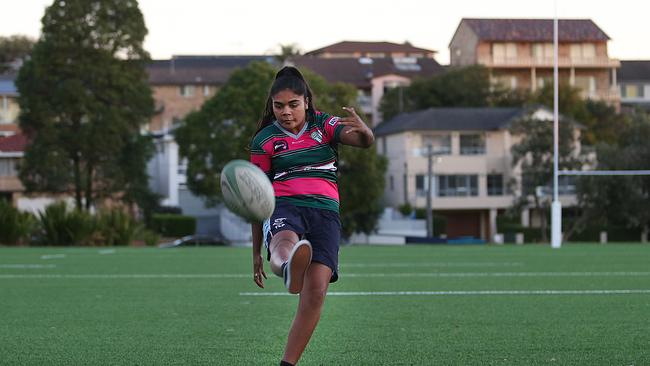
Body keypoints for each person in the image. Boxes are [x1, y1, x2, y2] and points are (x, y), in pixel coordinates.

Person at [249, 66, 374, 365]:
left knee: (316, 292)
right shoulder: (264, 141)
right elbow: (256, 197)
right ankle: (286, 266)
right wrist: (256, 253)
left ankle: (287, 364)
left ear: (306, 101)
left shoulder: (323, 124)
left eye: (293, 105)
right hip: (284, 204)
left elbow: (362, 141)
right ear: (272, 106)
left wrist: (366, 130)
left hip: (325, 213)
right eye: (279, 106)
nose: (286, 112)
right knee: (283, 242)